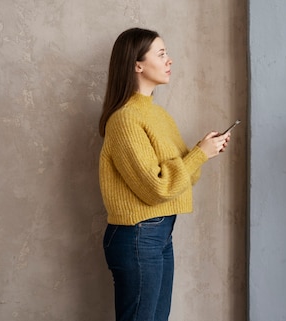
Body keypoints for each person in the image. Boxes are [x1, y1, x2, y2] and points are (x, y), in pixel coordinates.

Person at [98, 27, 231, 321]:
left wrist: (201, 150)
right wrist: (199, 155)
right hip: (137, 235)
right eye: (161, 54)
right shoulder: (125, 120)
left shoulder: (157, 114)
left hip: (157, 233)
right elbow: (156, 189)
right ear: (137, 64)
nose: (169, 60)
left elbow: (182, 180)